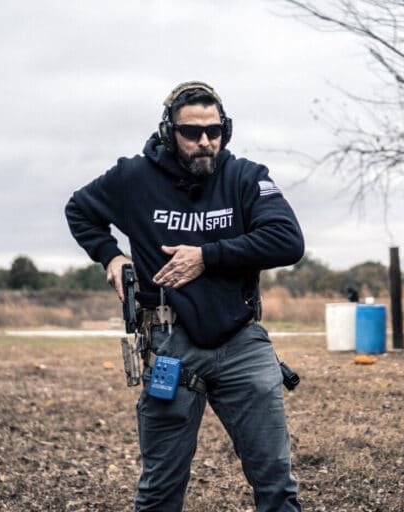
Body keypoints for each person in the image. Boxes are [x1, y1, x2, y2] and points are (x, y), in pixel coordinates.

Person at [65, 81, 304, 511]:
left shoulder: (246, 177)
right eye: (191, 132)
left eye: (215, 131)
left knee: (276, 482)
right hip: (169, 345)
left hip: (241, 341)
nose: (205, 142)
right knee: (160, 488)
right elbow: (80, 210)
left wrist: (208, 256)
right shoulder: (133, 178)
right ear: (167, 132)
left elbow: (287, 240)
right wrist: (111, 257)